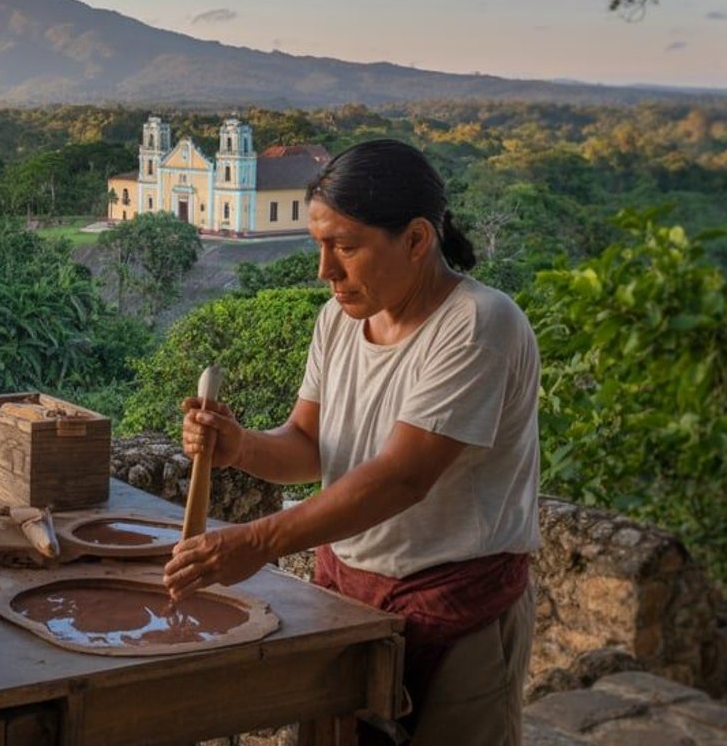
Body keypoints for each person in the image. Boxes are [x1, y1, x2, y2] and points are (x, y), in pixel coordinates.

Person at [162, 139, 539, 746]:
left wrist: (257, 541)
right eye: (319, 245)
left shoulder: (477, 325)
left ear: (417, 240)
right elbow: (311, 444)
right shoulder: (339, 320)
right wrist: (238, 447)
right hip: (346, 597)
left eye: (345, 246)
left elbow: (402, 477)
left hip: (455, 607)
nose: (325, 270)